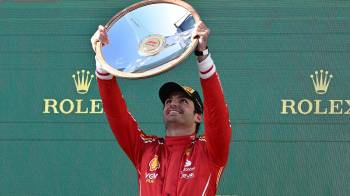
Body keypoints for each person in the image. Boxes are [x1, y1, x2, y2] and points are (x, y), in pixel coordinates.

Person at [91, 21, 232, 196]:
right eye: (168, 101)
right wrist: (102, 60)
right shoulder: (145, 148)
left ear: (198, 116)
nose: (173, 103)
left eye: (183, 101)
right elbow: (117, 115)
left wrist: (203, 55)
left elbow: (217, 115)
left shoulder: (209, 151)